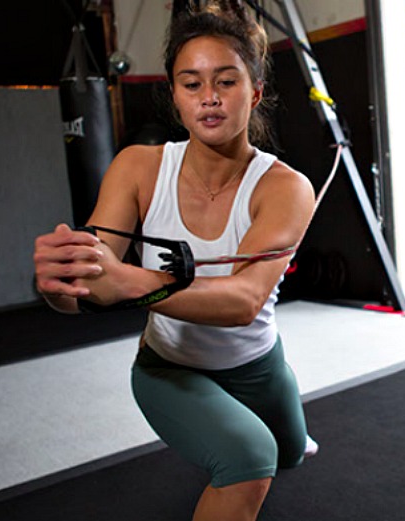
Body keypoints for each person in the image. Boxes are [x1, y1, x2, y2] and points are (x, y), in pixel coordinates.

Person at [33, 2, 317, 520]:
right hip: (170, 367)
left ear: (254, 92)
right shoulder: (139, 168)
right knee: (251, 458)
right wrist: (61, 285)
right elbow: (91, 284)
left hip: (259, 363)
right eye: (192, 84)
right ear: (175, 95)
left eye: (226, 81)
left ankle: (284, 427)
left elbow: (244, 301)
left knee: (290, 454)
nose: (209, 97)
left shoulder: (285, 187)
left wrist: (130, 283)